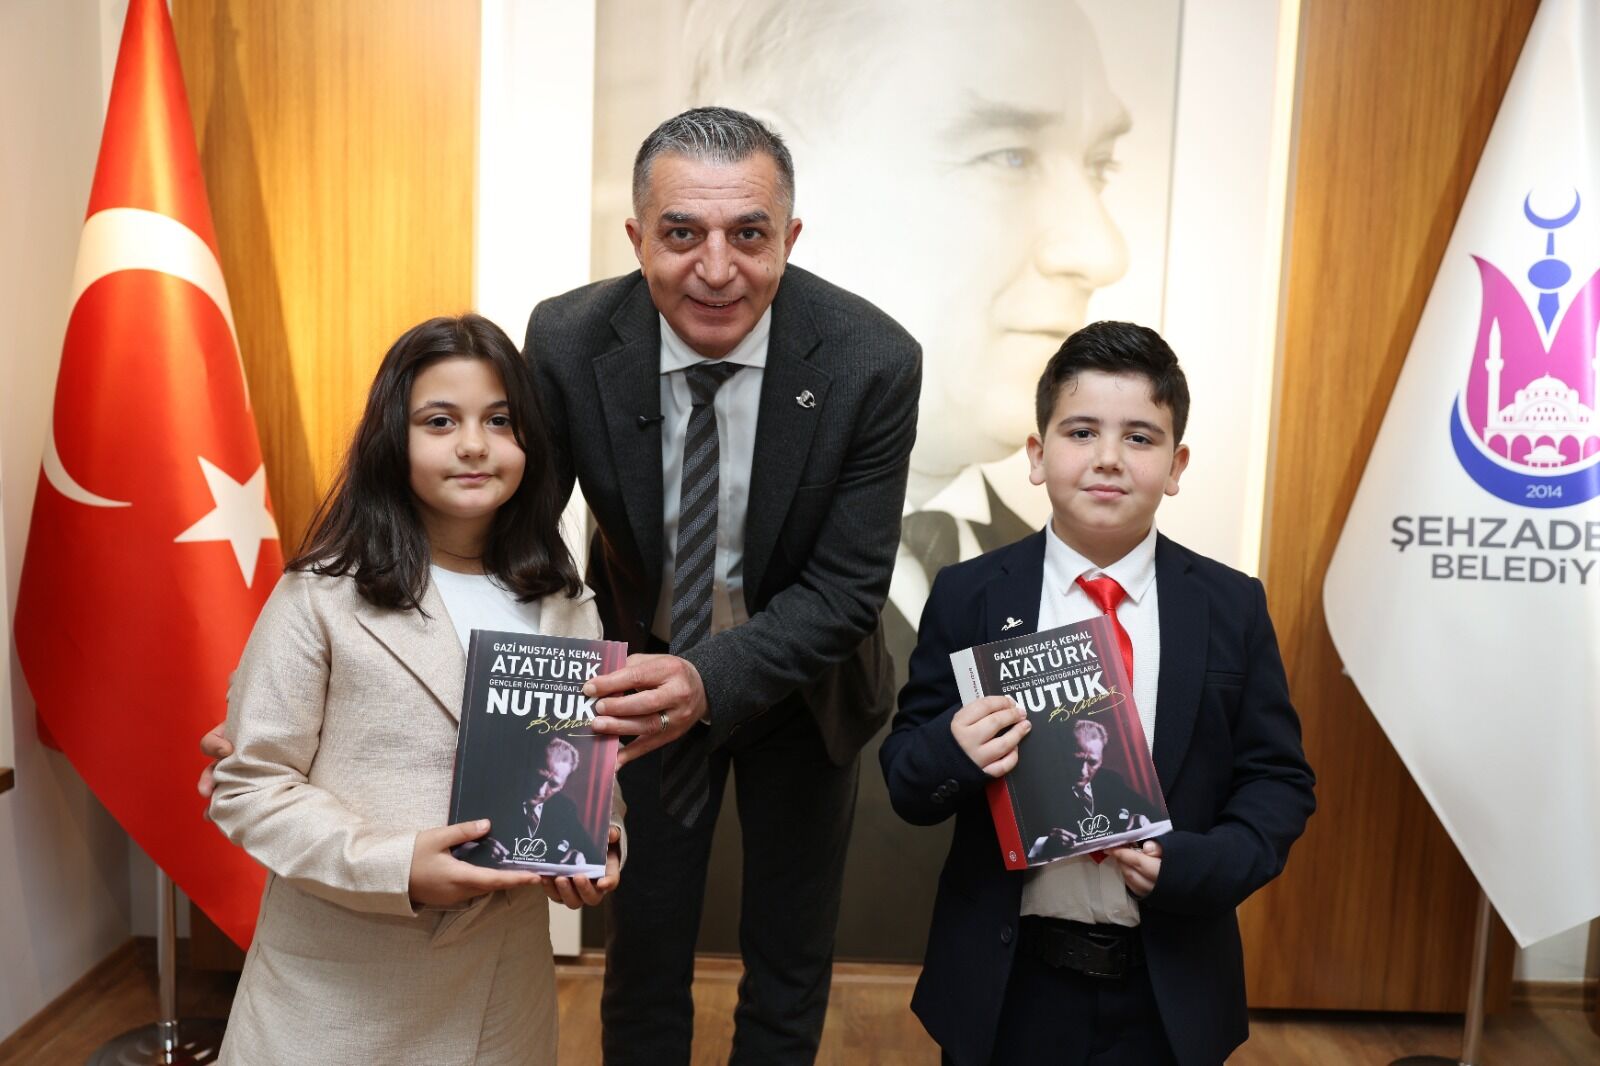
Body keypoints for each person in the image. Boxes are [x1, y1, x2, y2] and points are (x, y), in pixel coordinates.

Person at [528, 107, 918, 1064]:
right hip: (642, 679)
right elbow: (523, 544)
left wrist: (710, 680)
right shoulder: (568, 341)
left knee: (790, 960)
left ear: (789, 238)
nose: (716, 269)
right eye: (681, 234)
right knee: (643, 950)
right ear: (636, 239)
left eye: (748, 234)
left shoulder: (872, 360)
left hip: (805, 682)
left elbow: (847, 590)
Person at [881, 321, 1315, 1065]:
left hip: (1168, 989)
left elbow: (1278, 782)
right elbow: (906, 780)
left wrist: (1194, 866)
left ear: (1176, 465)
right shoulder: (970, 594)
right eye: (1081, 432)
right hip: (1008, 984)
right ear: (1036, 454)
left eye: (1140, 438)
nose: (1108, 458)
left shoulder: (1230, 605)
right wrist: (953, 748)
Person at [206, 315, 624, 1065]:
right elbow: (249, 784)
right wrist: (396, 864)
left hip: (502, 1000)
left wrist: (600, 841)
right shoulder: (320, 595)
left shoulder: (569, 606)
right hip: (341, 994)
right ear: (391, 442)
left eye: (500, 420)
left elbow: (589, 773)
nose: (474, 445)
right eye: (440, 421)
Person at [681, 0, 1134, 631]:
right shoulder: (662, 558)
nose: (1104, 253)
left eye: (1099, 165)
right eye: (1008, 155)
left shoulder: (1069, 585)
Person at [1025, 719, 1152, 863]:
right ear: (1064, 755)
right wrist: (1044, 844)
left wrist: (1141, 819)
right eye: (1076, 761)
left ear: (1101, 760)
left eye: (1092, 762)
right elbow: (1023, 840)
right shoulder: (1042, 789)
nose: (1083, 771)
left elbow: (1154, 814)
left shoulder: (1111, 780)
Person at [468, 736, 602, 869]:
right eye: (538, 777)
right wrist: (473, 850)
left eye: (553, 784)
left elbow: (596, 860)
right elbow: (458, 843)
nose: (540, 790)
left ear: (562, 785)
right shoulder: (490, 797)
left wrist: (579, 857)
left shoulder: (565, 808)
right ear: (527, 768)